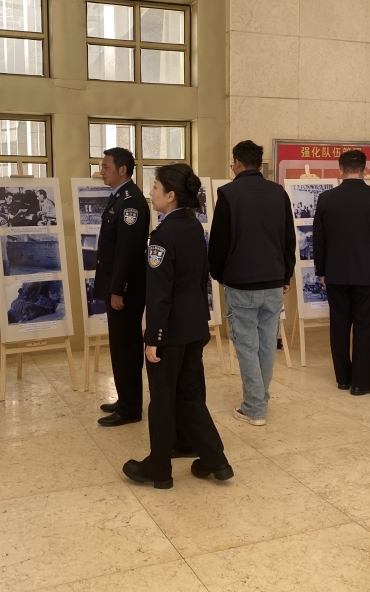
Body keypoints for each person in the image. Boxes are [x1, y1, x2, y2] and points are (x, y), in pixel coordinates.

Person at [123, 164, 233, 489]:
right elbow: (200, 280)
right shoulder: (193, 226)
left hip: (169, 333)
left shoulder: (162, 236)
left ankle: (159, 468)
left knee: (162, 399)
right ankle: (215, 460)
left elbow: (160, 293)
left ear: (170, 195)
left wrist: (154, 337)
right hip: (194, 327)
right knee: (189, 395)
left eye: (155, 188)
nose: (151, 193)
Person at [208, 140, 295, 426]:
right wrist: (285, 275)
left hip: (241, 282)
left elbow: (219, 242)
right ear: (259, 164)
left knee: (246, 345)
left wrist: (220, 275)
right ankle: (260, 399)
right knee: (267, 343)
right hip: (273, 281)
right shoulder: (279, 193)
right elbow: (288, 239)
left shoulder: (229, 193)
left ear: (237, 163)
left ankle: (255, 407)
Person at [312, 150, 370, 395]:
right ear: (365, 169)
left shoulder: (326, 198)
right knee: (364, 327)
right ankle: (361, 381)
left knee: (338, 325)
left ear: (340, 170)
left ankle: (343, 378)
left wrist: (321, 271)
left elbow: (319, 239)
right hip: (368, 274)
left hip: (335, 273)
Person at [93, 148, 151, 426]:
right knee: (120, 345)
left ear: (122, 169)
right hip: (118, 285)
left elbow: (128, 250)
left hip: (126, 289)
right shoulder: (119, 197)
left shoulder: (131, 202)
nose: (101, 171)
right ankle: (126, 398)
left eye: (106, 167)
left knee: (126, 347)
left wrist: (118, 289)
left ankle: (130, 408)